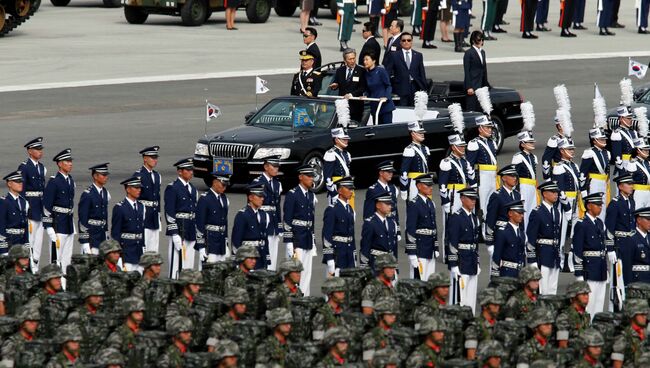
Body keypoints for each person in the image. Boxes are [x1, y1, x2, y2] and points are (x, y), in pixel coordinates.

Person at [573, 192, 612, 318]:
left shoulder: (600, 223)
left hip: (600, 269)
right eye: (597, 205)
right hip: (589, 269)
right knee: (589, 304)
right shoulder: (581, 224)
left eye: (601, 205)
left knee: (599, 302)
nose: (600, 207)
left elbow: (603, 248)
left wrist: (606, 269)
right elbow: (577, 250)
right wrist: (579, 274)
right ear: (589, 206)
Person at [526, 181, 565, 295]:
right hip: (542, 254)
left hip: (554, 254)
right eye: (552, 192)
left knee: (553, 288)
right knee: (542, 288)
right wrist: (532, 260)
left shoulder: (557, 212)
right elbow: (531, 237)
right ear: (544, 194)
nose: (556, 194)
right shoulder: (537, 212)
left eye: (556, 192)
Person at [283, 165, 317, 295]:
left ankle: (305, 298)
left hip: (307, 238)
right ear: (300, 177)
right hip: (297, 238)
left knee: (307, 272)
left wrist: (313, 241)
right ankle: (294, 299)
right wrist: (289, 241)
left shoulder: (311, 195)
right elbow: (287, 219)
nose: (311, 178)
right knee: (295, 272)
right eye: (308, 176)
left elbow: (311, 220)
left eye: (312, 176)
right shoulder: (293, 194)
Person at [43, 148, 75, 276]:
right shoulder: (54, 182)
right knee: (56, 260)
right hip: (58, 224)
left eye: (70, 161)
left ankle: (65, 286)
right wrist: (49, 227)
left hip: (68, 224)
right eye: (67, 161)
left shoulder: (70, 181)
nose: (70, 163)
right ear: (60, 163)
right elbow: (46, 206)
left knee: (67, 259)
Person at [164, 158, 198, 278]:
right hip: (179, 228)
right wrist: (174, 233)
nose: (191, 172)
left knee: (188, 262)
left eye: (191, 170)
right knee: (176, 264)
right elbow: (169, 212)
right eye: (188, 170)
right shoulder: (173, 188)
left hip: (190, 229)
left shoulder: (193, 189)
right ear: (180, 172)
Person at [447, 188, 480, 311]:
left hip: (471, 260)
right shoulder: (456, 217)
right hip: (461, 260)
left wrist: (477, 261)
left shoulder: (474, 218)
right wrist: (453, 264)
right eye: (470, 199)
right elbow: (452, 242)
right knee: (460, 295)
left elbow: (475, 243)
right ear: (462, 199)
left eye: (474, 199)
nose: (473, 202)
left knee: (471, 294)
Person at [18, 137, 46, 272]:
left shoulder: (41, 167)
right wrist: (24, 208)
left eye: (41, 149)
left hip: (40, 208)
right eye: (37, 149)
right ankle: (29, 269)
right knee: (30, 241)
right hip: (30, 208)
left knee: (39, 242)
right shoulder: (24, 167)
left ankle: (36, 266)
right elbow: (21, 189)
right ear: (30, 151)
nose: (40, 152)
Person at [406, 174, 439, 280]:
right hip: (420, 248)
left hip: (430, 248)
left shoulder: (430, 203)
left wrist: (436, 246)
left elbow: (434, 227)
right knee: (418, 281)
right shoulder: (414, 204)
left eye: (431, 185)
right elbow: (410, 229)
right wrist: (412, 253)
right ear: (419, 186)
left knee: (429, 281)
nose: (431, 188)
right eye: (427, 185)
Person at [467, 115, 498, 230]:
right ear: (480, 128)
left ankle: (490, 227)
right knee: (482, 205)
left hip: (492, 177)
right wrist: (473, 182)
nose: (490, 129)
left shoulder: (492, 143)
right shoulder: (474, 143)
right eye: (487, 127)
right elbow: (469, 165)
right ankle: (481, 230)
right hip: (482, 177)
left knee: (492, 202)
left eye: (490, 127)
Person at [553, 138, 580, 266]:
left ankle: (570, 261)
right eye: (569, 149)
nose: (572, 151)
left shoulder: (574, 166)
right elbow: (560, 190)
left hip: (575, 201)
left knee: (573, 233)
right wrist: (567, 208)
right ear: (562, 150)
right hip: (564, 204)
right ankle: (560, 260)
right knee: (563, 232)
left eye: (572, 149)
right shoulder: (558, 167)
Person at [252, 156, 282, 271]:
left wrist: (279, 226)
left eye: (277, 166)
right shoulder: (258, 182)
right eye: (273, 166)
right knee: (263, 254)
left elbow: (277, 206)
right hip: (262, 221)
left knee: (273, 257)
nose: (276, 169)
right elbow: (252, 205)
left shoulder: (277, 183)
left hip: (273, 224)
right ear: (265, 167)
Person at [323, 177, 357, 275]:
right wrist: (329, 258)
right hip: (338, 253)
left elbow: (351, 234)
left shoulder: (349, 209)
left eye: (352, 189)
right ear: (339, 190)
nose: (351, 191)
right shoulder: (332, 209)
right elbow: (327, 235)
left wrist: (354, 255)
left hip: (349, 252)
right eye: (348, 189)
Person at [606, 174, 635, 285]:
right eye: (628, 184)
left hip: (631, 243)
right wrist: (610, 249)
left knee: (630, 276)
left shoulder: (631, 202)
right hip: (620, 243)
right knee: (619, 279)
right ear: (620, 187)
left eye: (632, 184)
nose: (631, 186)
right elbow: (609, 227)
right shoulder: (615, 203)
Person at [111, 176, 145, 272]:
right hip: (126, 251)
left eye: (140, 188)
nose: (139, 190)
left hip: (138, 251)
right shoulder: (120, 208)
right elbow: (115, 233)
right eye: (136, 188)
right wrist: (118, 254)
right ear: (128, 189)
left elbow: (142, 229)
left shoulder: (141, 206)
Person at [384, 32, 427, 107]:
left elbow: (422, 73)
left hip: (415, 89)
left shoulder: (418, 55)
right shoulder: (394, 55)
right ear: (400, 42)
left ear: (412, 41)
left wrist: (424, 88)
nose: (406, 42)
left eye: (409, 40)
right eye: (404, 40)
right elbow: (387, 72)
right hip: (400, 89)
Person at [231, 184, 269, 269]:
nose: (262, 198)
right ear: (250, 198)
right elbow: (236, 240)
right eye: (259, 196)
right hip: (247, 257)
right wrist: (236, 259)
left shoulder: (263, 215)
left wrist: (266, 256)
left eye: (262, 196)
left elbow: (264, 238)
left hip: (260, 255)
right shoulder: (242, 215)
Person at [485, 164, 520, 254]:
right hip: (501, 235)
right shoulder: (497, 196)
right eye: (511, 176)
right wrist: (490, 243)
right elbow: (490, 219)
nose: (514, 178)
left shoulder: (517, 195)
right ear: (504, 178)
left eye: (515, 175)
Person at [196, 174, 230, 263]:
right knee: (209, 271)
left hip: (221, 242)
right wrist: (201, 246)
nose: (225, 188)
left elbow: (224, 221)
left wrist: (226, 243)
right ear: (215, 182)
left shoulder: (224, 199)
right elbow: (199, 223)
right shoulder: (205, 199)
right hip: (210, 241)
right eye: (223, 185)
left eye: (226, 185)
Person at [360, 192, 399, 270]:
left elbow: (394, 247)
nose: (390, 206)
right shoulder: (370, 223)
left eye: (390, 204)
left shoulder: (392, 222)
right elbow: (365, 246)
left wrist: (395, 266)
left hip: (390, 264)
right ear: (378, 205)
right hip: (376, 264)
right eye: (387, 204)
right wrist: (364, 268)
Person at [78, 163, 110, 255]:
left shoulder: (104, 192)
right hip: (92, 237)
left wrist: (106, 234)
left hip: (102, 237)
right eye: (103, 175)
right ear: (95, 176)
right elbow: (82, 219)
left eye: (106, 175)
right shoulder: (88, 194)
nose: (106, 177)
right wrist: (85, 242)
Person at [579, 128, 610, 221]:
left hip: (603, 183)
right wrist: (583, 190)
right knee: (593, 206)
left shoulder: (607, 153)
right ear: (594, 141)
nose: (604, 141)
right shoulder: (589, 153)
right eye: (601, 139)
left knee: (603, 206)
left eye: (604, 139)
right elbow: (582, 174)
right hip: (593, 183)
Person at [464, 288, 504, 360]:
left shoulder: (499, 326)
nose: (497, 308)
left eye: (499, 305)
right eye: (494, 305)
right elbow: (471, 356)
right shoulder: (474, 327)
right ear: (485, 306)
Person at [135, 145, 162, 254]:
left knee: (154, 249)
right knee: (144, 249)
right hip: (144, 216)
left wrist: (159, 216)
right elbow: (135, 197)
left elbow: (158, 197)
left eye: (156, 158)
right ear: (145, 158)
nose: (155, 160)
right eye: (152, 157)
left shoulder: (157, 176)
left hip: (154, 216)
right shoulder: (138, 176)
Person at [330, 49, 367, 123]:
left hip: (356, 106)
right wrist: (335, 85)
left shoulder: (361, 70)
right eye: (350, 59)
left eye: (354, 58)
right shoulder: (340, 70)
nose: (352, 61)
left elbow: (363, 87)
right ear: (345, 60)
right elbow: (336, 82)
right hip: (342, 106)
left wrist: (351, 95)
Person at [492, 200, 526, 278]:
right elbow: (497, 255)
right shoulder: (503, 231)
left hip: (520, 273)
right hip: (507, 273)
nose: (522, 216)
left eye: (522, 213)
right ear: (510, 213)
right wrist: (495, 277)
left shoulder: (521, 232)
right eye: (519, 213)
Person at [512, 130, 539, 230]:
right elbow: (514, 176)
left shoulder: (533, 157)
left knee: (533, 211)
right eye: (529, 142)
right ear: (523, 144)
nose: (532, 144)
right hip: (523, 187)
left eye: (532, 142)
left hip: (532, 187)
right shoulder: (518, 157)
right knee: (525, 212)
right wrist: (517, 192)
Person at [611, 298, 650, 367]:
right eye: (641, 314)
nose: (645, 317)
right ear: (632, 314)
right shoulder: (622, 337)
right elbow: (617, 365)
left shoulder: (646, 334)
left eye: (646, 314)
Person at [400, 121, 430, 202]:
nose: (422, 134)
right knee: (415, 205)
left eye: (422, 132)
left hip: (426, 181)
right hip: (414, 182)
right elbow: (404, 172)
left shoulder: (425, 148)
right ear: (413, 134)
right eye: (419, 132)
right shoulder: (409, 149)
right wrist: (404, 189)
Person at [362, 297, 399, 363]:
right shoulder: (371, 336)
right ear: (380, 315)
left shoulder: (398, 332)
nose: (394, 317)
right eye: (390, 314)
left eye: (395, 314)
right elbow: (369, 363)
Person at [363, 52, 395, 125]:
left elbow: (388, 85)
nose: (365, 62)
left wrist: (386, 97)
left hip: (384, 105)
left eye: (367, 60)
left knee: (386, 128)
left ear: (373, 61)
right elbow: (369, 89)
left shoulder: (381, 71)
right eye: (364, 60)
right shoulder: (366, 74)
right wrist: (366, 96)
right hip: (374, 106)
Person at [556, 281, 591, 348]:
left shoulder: (585, 315)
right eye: (583, 294)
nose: (586, 297)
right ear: (574, 296)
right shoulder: (564, 318)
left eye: (587, 294)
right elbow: (563, 346)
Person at [364, 160, 400, 227]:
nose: (391, 174)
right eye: (388, 172)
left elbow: (395, 210)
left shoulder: (393, 188)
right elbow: (368, 213)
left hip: (392, 226)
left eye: (392, 172)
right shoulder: (372, 190)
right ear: (381, 173)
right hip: (379, 226)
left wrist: (397, 229)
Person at [0, 171, 29, 251]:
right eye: (17, 181)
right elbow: (1, 225)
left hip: (22, 240)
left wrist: (27, 243)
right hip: (10, 241)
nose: (20, 184)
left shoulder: (24, 202)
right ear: (9, 184)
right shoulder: (4, 201)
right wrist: (3, 248)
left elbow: (26, 224)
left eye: (21, 181)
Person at [323, 128, 352, 206]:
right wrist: (333, 193)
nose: (346, 141)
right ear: (336, 140)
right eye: (344, 139)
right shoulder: (330, 153)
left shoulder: (347, 154)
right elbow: (327, 177)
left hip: (347, 186)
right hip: (336, 187)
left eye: (347, 139)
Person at [463, 31, 490, 111]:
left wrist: (486, 84)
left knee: (482, 109)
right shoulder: (468, 53)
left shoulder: (483, 52)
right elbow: (466, 71)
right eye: (478, 40)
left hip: (481, 85)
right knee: (472, 109)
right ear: (473, 41)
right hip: (472, 85)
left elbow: (484, 69)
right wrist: (469, 87)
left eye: (481, 39)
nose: (480, 42)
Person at [611, 106, 639, 178]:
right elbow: (617, 156)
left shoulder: (634, 132)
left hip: (634, 164)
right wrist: (622, 171)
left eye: (631, 118)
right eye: (628, 118)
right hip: (624, 164)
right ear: (621, 118)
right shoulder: (616, 133)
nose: (630, 120)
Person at [541, 115, 567, 181]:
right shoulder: (554, 140)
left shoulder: (568, 139)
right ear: (559, 126)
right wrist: (547, 177)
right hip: (557, 171)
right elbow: (546, 159)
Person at [629, 206, 650, 284]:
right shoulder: (631, 238)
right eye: (648, 219)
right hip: (637, 281)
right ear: (639, 220)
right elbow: (627, 264)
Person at [629, 139, 650, 209]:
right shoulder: (632, 163)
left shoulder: (648, 163)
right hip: (638, 193)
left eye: (648, 150)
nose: (647, 152)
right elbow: (629, 181)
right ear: (638, 151)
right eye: (645, 150)